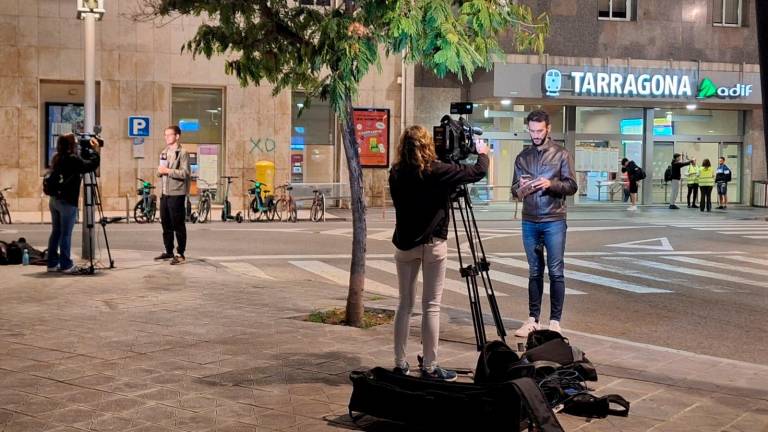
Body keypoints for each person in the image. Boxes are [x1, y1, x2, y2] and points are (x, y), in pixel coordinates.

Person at [389, 125, 489, 381]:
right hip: (432, 244)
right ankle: (430, 367)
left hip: (404, 244)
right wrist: (483, 153)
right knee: (431, 306)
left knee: (404, 304)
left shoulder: (396, 172)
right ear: (427, 145)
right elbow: (477, 171)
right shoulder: (437, 171)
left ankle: (400, 364)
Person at [510, 110, 578, 337]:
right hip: (529, 219)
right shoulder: (523, 157)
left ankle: (555, 321)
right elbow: (514, 191)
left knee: (556, 271)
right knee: (534, 271)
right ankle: (533, 319)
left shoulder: (561, 154)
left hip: (554, 219)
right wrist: (520, 188)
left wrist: (550, 183)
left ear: (548, 128)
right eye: (532, 130)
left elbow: (572, 186)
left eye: (539, 131)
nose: (535, 135)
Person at [46, 134, 100, 274]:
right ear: (71, 145)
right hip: (67, 202)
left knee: (56, 232)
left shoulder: (57, 157)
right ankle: (65, 264)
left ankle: (52, 263)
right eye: (75, 142)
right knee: (65, 234)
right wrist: (95, 151)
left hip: (54, 200)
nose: (77, 143)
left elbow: (80, 165)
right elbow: (90, 165)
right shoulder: (72, 159)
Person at [155, 125, 191, 265]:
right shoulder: (164, 152)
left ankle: (180, 253)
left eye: (169, 135)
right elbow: (160, 172)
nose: (167, 137)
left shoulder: (183, 152)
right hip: (165, 193)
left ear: (177, 136)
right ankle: (168, 250)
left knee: (178, 225)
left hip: (177, 193)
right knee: (166, 224)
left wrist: (168, 171)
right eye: (165, 135)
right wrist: (160, 170)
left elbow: (185, 173)